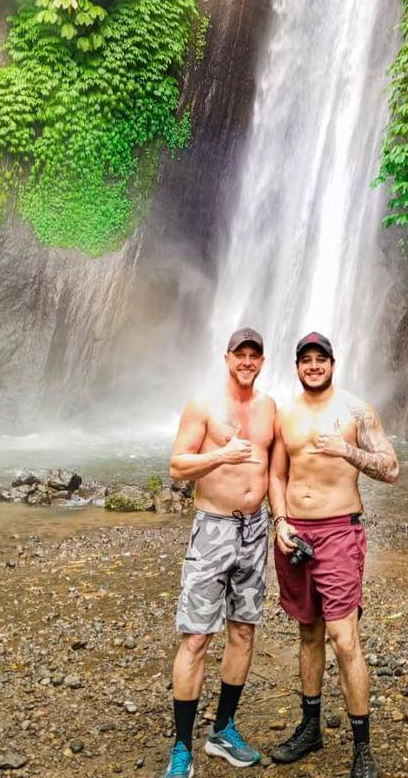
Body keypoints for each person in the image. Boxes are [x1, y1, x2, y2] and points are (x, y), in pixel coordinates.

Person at [268, 331, 399, 778]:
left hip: (340, 532)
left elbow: (392, 469)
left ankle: (362, 747)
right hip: (295, 534)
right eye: (305, 359)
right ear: (297, 366)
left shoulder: (356, 411)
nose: (313, 365)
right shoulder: (284, 414)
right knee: (308, 633)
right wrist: (280, 522)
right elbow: (277, 475)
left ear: (332, 363)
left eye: (320, 358)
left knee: (345, 640)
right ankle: (310, 728)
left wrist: (347, 449)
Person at [164, 328, 276, 777]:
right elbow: (176, 465)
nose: (247, 361)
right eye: (240, 354)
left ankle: (224, 729)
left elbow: (281, 468)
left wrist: (284, 520)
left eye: (255, 355)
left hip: (255, 530)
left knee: (244, 632)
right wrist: (221, 456)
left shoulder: (269, 409)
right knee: (196, 637)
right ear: (227, 357)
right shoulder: (203, 404)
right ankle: (181, 748)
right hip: (212, 529)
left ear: (262, 361)